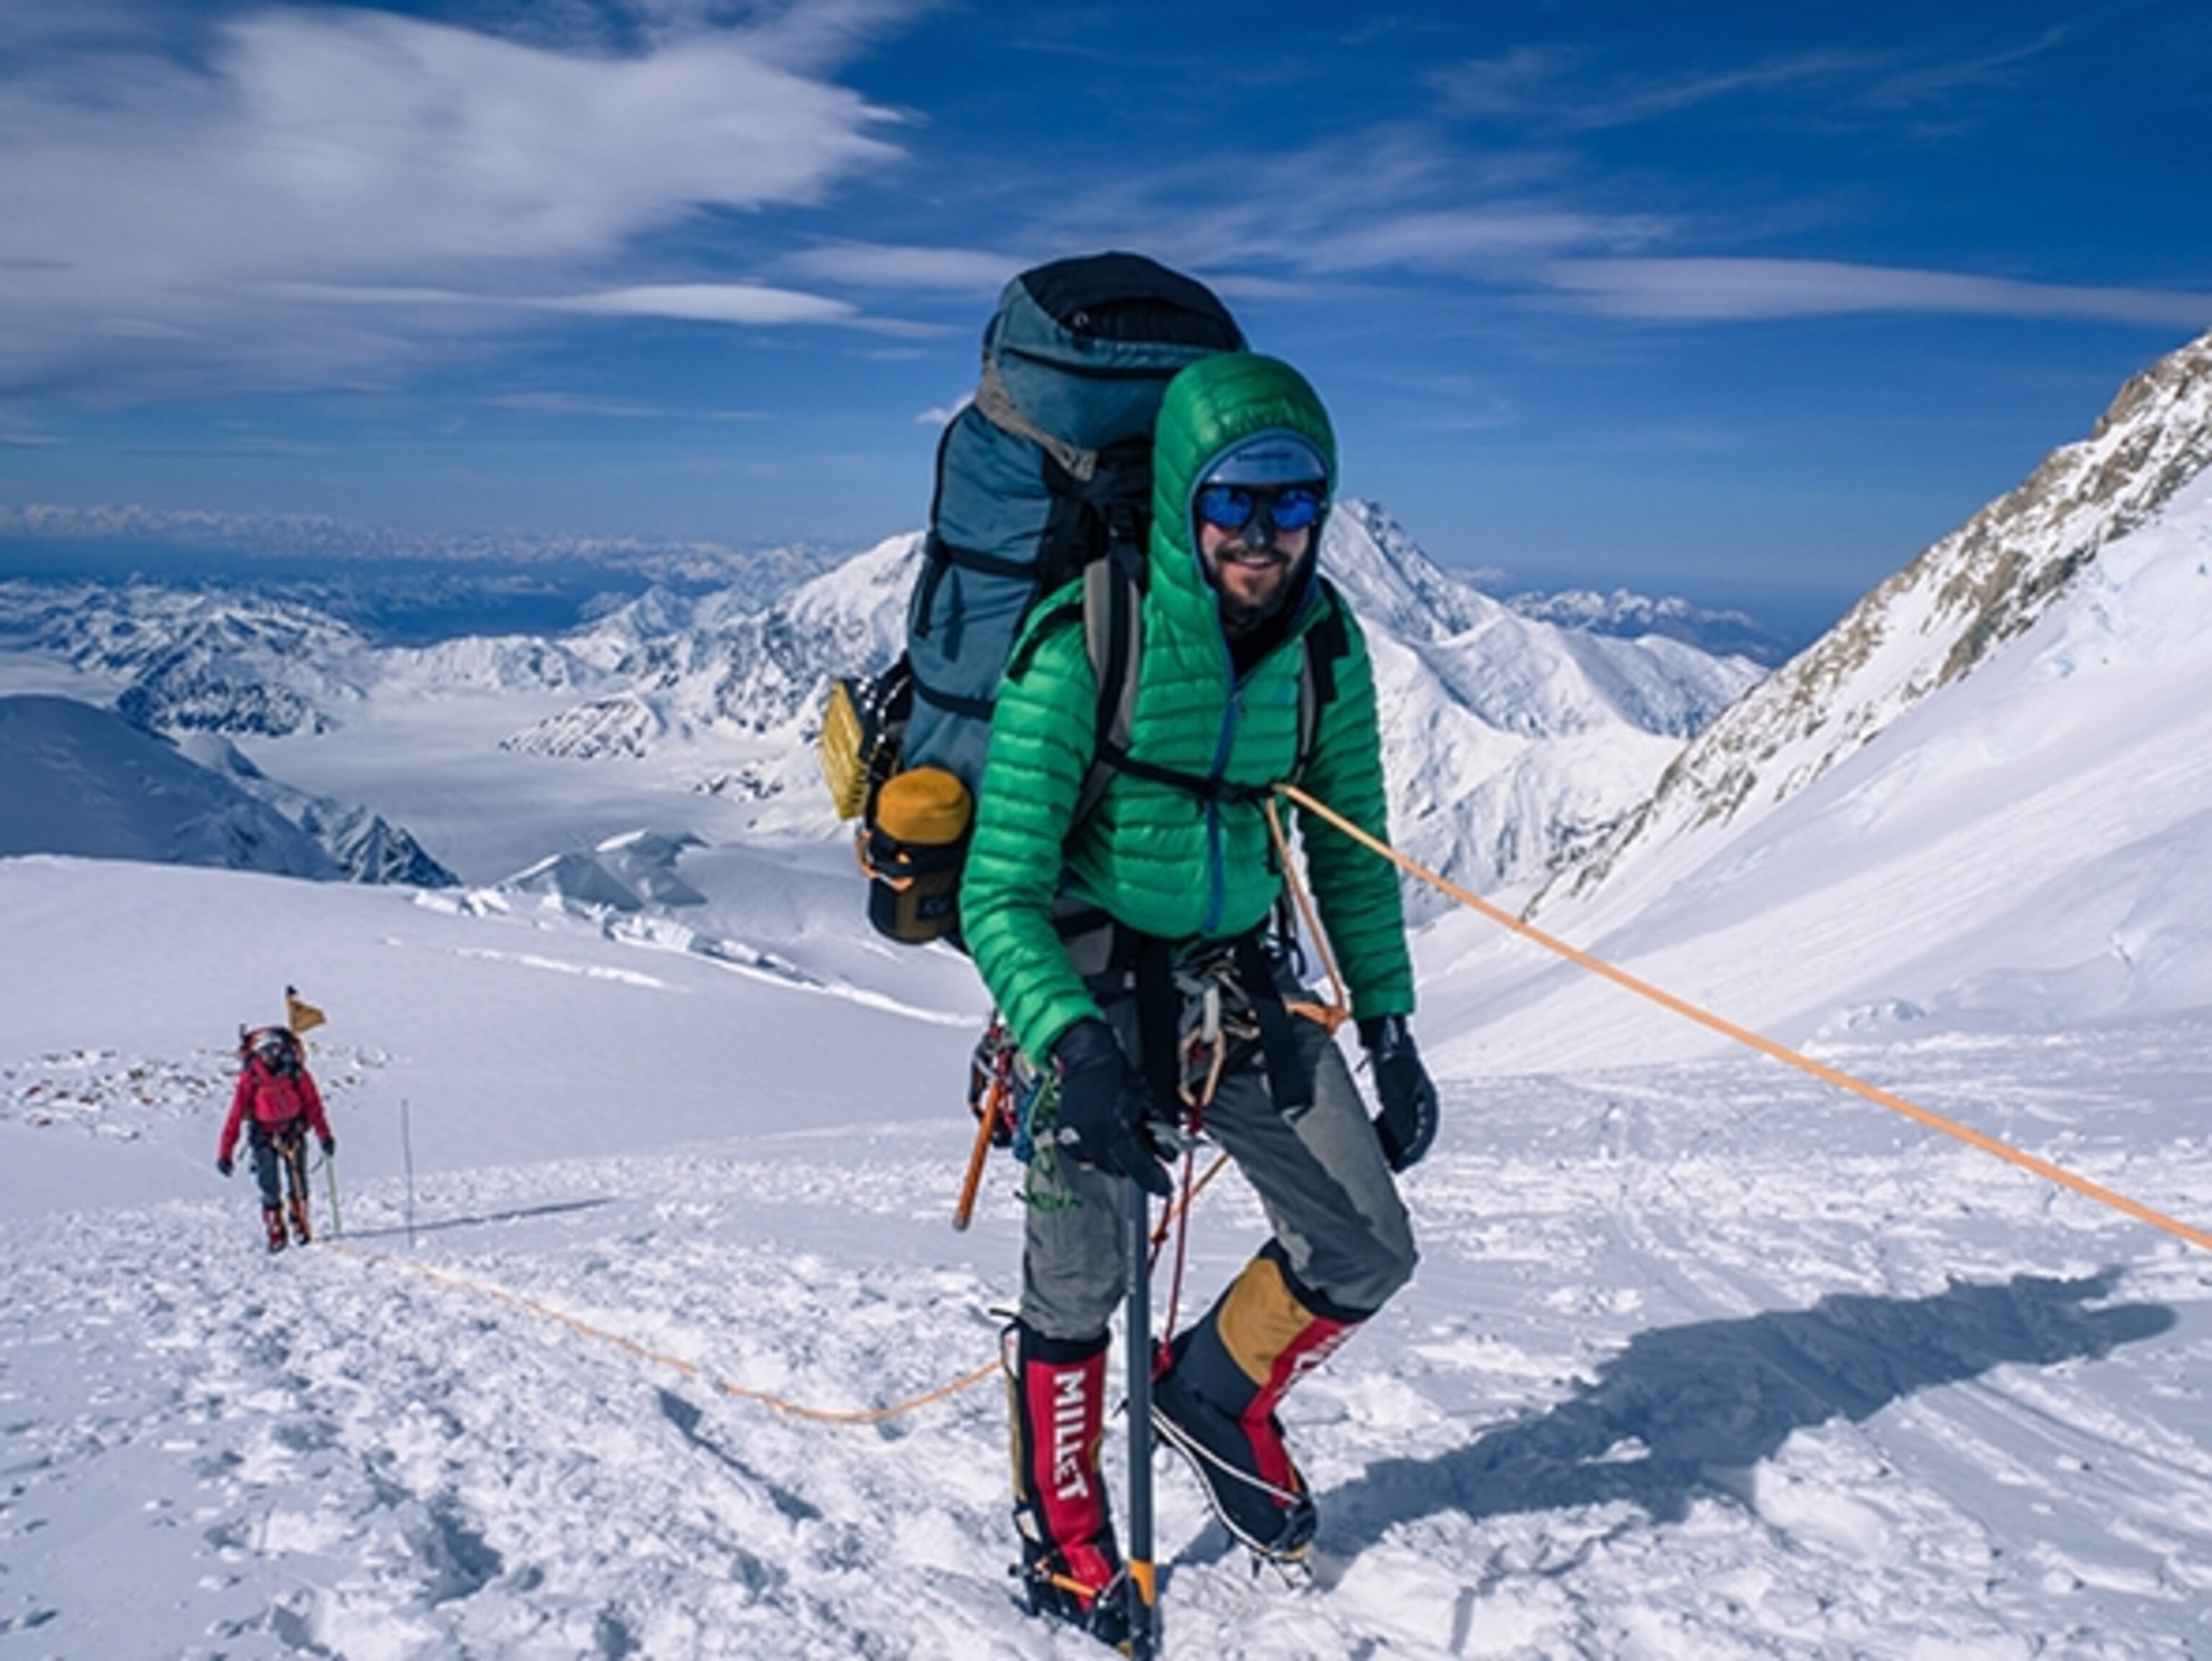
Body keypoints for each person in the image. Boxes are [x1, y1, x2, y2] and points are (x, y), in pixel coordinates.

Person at [961, 351, 1441, 1644]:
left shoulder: (1321, 645)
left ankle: (1213, 1394)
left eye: (1292, 501)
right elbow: (998, 890)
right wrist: (1069, 1047)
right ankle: (1065, 1535)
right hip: (1085, 994)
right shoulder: (1087, 639)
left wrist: (1389, 1024)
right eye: (1234, 499)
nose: (1262, 534)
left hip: (1236, 993)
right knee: (1078, 1288)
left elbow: (1349, 847)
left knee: (1365, 1244)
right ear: (1186, 497)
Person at [217, 1025, 334, 1252]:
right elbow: (235, 1115)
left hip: (293, 1131)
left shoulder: (296, 1072)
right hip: (264, 1135)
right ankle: (275, 1227)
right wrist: (225, 1153)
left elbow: (313, 1105)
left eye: (275, 1050)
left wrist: (325, 1136)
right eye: (266, 1051)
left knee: (299, 1181)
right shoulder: (251, 1077)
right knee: (269, 1185)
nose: (271, 1056)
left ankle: (300, 1221)